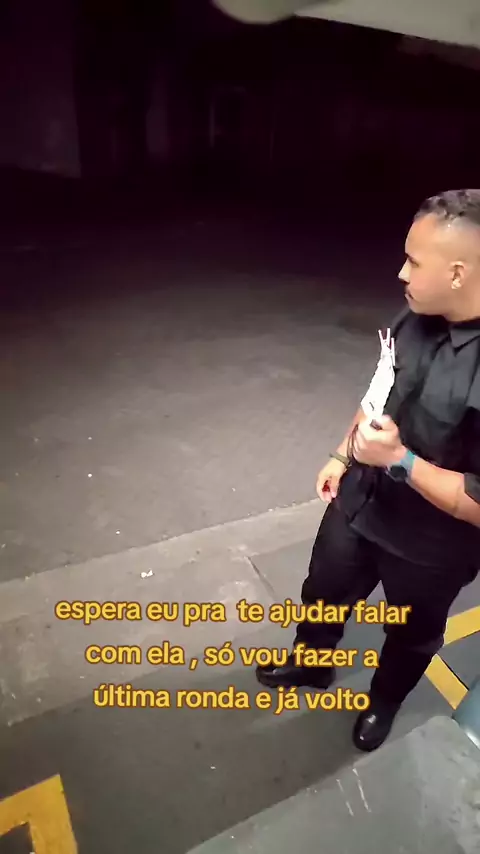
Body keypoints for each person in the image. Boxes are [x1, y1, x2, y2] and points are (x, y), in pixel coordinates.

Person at [257, 188, 480, 751]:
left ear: (458, 274)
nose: (401, 272)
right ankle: (311, 665)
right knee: (322, 592)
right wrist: (342, 453)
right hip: (360, 504)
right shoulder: (416, 316)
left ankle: (383, 703)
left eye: (414, 262)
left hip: (432, 546)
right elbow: (381, 390)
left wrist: (401, 461)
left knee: (410, 633)